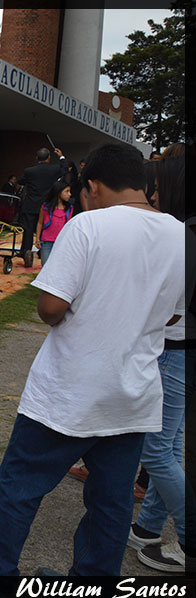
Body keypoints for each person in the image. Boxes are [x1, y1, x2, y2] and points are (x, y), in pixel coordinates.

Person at [0, 143, 188, 595]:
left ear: (93, 185)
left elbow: (51, 308)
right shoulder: (179, 234)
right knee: (110, 504)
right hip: (132, 396)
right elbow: (172, 316)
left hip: (70, 391)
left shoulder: (88, 226)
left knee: (20, 487)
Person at [128, 143, 195, 573]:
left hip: (176, 352)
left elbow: (169, 308)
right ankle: (149, 526)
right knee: (169, 446)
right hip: (181, 353)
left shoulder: (183, 235)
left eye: (156, 188)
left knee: (154, 451)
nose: (151, 196)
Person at [17, 147, 68, 263]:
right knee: (45, 228)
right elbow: (65, 170)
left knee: (28, 230)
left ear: (36, 158)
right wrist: (61, 157)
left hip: (31, 204)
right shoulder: (55, 169)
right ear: (49, 158)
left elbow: (20, 181)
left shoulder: (29, 171)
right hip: (47, 205)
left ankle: (26, 252)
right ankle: (43, 252)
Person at [34, 179, 73, 265]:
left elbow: (68, 226)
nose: (69, 194)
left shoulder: (69, 209)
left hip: (61, 242)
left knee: (59, 266)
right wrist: (37, 239)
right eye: (67, 191)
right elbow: (40, 223)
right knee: (45, 265)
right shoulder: (46, 207)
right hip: (46, 242)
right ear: (58, 192)